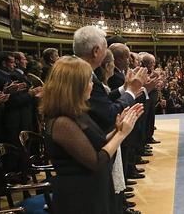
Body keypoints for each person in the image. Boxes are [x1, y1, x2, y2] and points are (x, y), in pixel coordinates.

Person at [41, 55, 144, 214]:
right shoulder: (61, 122)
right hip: (79, 196)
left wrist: (117, 129)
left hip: (94, 188)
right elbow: (95, 161)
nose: (91, 86)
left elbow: (98, 143)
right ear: (75, 86)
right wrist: (121, 135)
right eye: (88, 81)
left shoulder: (77, 113)